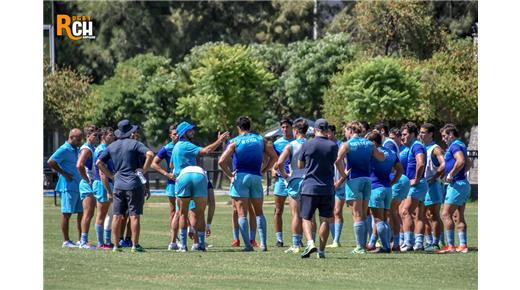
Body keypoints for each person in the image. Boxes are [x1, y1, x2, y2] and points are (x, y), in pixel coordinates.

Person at [219, 116, 277, 251]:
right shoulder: (260, 140)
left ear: (238, 128)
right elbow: (274, 157)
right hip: (256, 177)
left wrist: (229, 175)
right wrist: (264, 169)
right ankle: (263, 244)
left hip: (240, 177)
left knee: (241, 214)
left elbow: (221, 161)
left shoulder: (234, 142)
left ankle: (247, 245)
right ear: (250, 127)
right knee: (259, 213)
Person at [97, 120, 155, 253]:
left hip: (118, 185)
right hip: (134, 184)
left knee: (117, 215)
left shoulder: (112, 146)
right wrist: (143, 170)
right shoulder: (135, 144)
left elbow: (99, 162)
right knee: (134, 215)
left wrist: (111, 176)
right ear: (130, 132)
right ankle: (135, 245)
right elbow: (150, 154)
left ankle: (116, 246)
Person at [171, 121, 229, 252]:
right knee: (200, 212)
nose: (193, 132)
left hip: (183, 177)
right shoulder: (186, 145)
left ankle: (183, 246)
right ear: (183, 133)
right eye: (190, 130)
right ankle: (200, 245)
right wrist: (219, 140)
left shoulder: (175, 147)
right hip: (198, 174)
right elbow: (206, 150)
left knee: (182, 213)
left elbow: (171, 166)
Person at [335, 121, 385, 254]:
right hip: (367, 180)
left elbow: (337, 160)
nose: (345, 134)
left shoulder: (347, 144)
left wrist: (343, 175)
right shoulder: (369, 143)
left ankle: (360, 247)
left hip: (354, 180)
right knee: (363, 214)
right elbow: (381, 157)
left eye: (345, 131)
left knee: (356, 214)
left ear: (350, 130)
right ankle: (363, 245)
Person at [298, 119, 338, 259]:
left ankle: (310, 243)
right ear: (327, 130)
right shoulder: (333, 146)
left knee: (306, 218)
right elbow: (333, 162)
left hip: (309, 187)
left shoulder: (307, 144)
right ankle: (321, 251)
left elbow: (300, 165)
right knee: (325, 219)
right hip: (327, 187)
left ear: (314, 129)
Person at [274, 118, 309, 254]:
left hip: (294, 180)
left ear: (295, 130)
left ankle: (295, 245)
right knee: (309, 215)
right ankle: (310, 242)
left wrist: (285, 176)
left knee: (295, 214)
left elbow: (279, 163)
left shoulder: (290, 145)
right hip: (309, 180)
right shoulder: (311, 144)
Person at [365, 132, 403, 253]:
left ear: (373, 142)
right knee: (384, 218)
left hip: (376, 188)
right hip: (387, 189)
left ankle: (386, 247)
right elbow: (400, 169)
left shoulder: (373, 152)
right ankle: (387, 245)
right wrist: (392, 182)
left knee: (378, 219)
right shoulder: (391, 152)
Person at [48, 129, 84, 248]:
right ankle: (66, 241)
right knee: (66, 213)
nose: (80, 142)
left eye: (80, 140)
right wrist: (64, 173)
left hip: (79, 186)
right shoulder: (64, 149)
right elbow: (51, 161)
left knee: (81, 213)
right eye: (78, 139)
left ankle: (80, 240)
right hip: (68, 186)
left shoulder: (77, 149)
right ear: (71, 137)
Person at [437, 124, 471, 254]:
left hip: (456, 185)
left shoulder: (455, 145)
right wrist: (460, 174)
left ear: (451, 134)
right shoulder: (461, 145)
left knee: (446, 214)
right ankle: (463, 245)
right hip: (463, 183)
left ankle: (450, 246)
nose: (444, 139)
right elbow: (468, 163)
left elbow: (461, 161)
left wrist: (451, 174)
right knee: (458, 216)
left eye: (445, 136)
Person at [400, 122, 429, 252]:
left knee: (405, 211)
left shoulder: (416, 145)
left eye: (405, 134)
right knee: (418, 214)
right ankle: (418, 243)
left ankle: (408, 243)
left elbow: (421, 163)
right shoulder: (413, 146)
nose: (402, 137)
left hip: (417, 184)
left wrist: (416, 179)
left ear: (412, 134)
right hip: (419, 184)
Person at [150, 125, 179, 250]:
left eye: (177, 133)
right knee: (174, 212)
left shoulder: (186, 146)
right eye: (173, 134)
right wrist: (167, 174)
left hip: (186, 182)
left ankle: (195, 238)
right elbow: (153, 163)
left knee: (190, 211)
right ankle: (174, 239)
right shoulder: (167, 148)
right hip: (173, 184)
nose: (176, 136)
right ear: (170, 135)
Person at [419, 123, 446, 252]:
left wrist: (434, 177)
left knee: (433, 214)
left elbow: (444, 164)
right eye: (420, 132)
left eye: (423, 132)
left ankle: (437, 242)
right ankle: (429, 241)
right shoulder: (422, 147)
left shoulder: (435, 149)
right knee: (423, 215)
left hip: (433, 185)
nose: (421, 134)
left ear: (430, 134)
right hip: (423, 185)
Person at [271, 118, 294, 247]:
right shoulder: (277, 143)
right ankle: (279, 239)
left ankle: (297, 237)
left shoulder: (297, 142)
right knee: (278, 210)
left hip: (294, 179)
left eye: (287, 127)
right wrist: (273, 169)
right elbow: (274, 160)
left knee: (296, 210)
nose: (285, 129)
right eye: (283, 127)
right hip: (281, 179)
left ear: (292, 128)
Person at [76, 125, 100, 249]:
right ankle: (83, 241)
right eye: (94, 135)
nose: (96, 137)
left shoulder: (92, 148)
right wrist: (87, 179)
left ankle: (83, 240)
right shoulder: (86, 149)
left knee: (89, 214)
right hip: (87, 184)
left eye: (97, 135)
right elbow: (79, 165)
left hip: (90, 183)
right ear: (88, 136)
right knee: (87, 213)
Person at [92, 127, 116, 249]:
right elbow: (102, 174)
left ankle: (107, 241)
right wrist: (109, 191)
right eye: (110, 135)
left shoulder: (106, 149)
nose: (112, 137)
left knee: (109, 214)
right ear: (103, 137)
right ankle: (101, 243)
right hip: (102, 185)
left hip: (106, 184)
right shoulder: (101, 151)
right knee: (101, 214)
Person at [388, 127, 411, 251]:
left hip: (399, 181)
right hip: (397, 181)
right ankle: (398, 240)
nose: (391, 141)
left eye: (393, 138)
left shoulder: (405, 150)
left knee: (396, 212)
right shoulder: (390, 149)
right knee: (396, 212)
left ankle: (402, 241)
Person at [326, 124, 347, 248]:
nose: (327, 135)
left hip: (340, 184)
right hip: (328, 183)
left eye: (328, 132)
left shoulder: (341, 146)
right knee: (330, 212)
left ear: (333, 132)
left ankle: (336, 240)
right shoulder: (325, 146)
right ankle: (334, 240)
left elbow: (346, 165)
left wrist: (340, 182)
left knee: (337, 211)